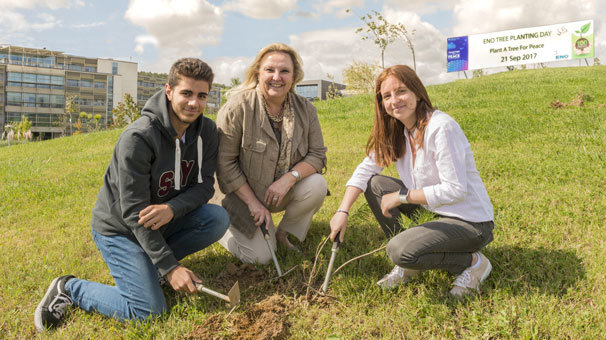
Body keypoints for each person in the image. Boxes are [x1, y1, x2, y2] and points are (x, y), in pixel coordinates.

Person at [34, 58, 230, 332]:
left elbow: (205, 186)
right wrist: (171, 267)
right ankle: (71, 288)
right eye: (186, 93)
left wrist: (172, 209)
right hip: (121, 230)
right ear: (169, 91)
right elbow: (133, 213)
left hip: (163, 220)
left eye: (201, 95)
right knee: (148, 312)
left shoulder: (206, 132)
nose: (194, 103)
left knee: (216, 218)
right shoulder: (138, 137)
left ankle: (152, 270)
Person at [329, 65, 494, 297]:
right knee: (375, 185)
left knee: (398, 250)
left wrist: (402, 196)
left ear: (417, 93)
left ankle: (472, 262)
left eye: (401, 91)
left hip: (471, 223)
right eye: (387, 96)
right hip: (435, 212)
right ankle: (412, 257)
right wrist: (342, 211)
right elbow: (364, 171)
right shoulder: (398, 131)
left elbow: (455, 190)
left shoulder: (441, 127)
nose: (395, 100)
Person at [216, 42, 327, 264]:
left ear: (294, 76)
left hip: (278, 190)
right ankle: (220, 228)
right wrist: (253, 204)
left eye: (284, 71)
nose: (277, 77)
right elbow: (225, 164)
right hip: (239, 196)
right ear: (258, 73)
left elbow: (317, 154)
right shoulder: (237, 108)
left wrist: (290, 178)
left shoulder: (306, 109)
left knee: (317, 185)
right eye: (270, 70)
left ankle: (282, 233)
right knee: (261, 258)